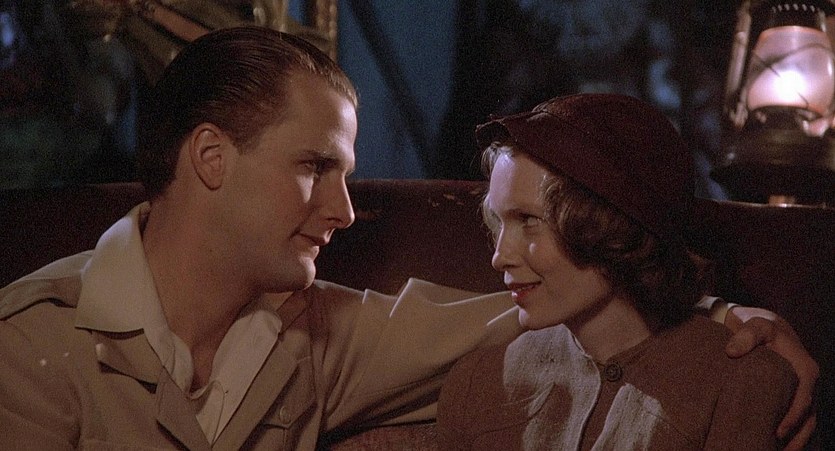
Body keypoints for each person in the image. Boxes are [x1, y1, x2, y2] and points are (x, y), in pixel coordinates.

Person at [0, 27, 816, 450]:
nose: (342, 209)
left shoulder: (316, 333)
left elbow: (556, 307)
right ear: (211, 158)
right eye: (314, 166)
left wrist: (716, 314)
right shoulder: (29, 345)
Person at [437, 93, 807, 450]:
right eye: (499, 221)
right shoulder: (477, 385)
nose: (500, 257)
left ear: (609, 224)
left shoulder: (740, 383)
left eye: (529, 220)